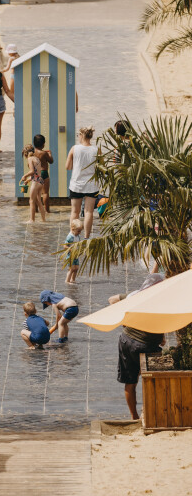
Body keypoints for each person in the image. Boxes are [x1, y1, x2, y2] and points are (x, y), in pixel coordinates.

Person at [111, 274, 165, 420]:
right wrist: (162, 336)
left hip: (127, 340)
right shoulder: (161, 300)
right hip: (148, 345)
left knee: (130, 381)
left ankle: (134, 417)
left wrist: (123, 319)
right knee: (152, 380)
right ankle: (147, 412)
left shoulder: (135, 295)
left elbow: (112, 300)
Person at [65, 126, 99, 239]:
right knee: (89, 212)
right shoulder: (96, 149)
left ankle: (72, 235)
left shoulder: (74, 149)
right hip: (92, 185)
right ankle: (86, 237)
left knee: (75, 212)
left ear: (81, 135)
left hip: (77, 184)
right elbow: (101, 167)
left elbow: (68, 167)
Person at [21, 144, 46, 224]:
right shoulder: (36, 158)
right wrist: (28, 180)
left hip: (35, 183)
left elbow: (32, 171)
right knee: (39, 201)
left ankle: (32, 220)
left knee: (31, 201)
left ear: (25, 153)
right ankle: (43, 220)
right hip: (40, 181)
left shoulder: (30, 159)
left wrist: (24, 176)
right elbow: (36, 173)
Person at [33, 134, 54, 213]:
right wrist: (50, 154)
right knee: (45, 193)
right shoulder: (44, 153)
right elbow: (51, 161)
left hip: (36, 173)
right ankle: (47, 210)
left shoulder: (32, 152)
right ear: (43, 144)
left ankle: (35, 210)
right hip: (44, 172)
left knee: (35, 192)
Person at [64, 219, 83, 284]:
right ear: (72, 229)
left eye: (80, 231)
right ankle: (67, 281)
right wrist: (70, 249)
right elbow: (65, 246)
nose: (79, 232)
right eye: (78, 231)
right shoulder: (70, 237)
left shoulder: (78, 236)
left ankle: (73, 279)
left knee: (76, 268)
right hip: (70, 255)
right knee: (71, 269)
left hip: (76, 255)